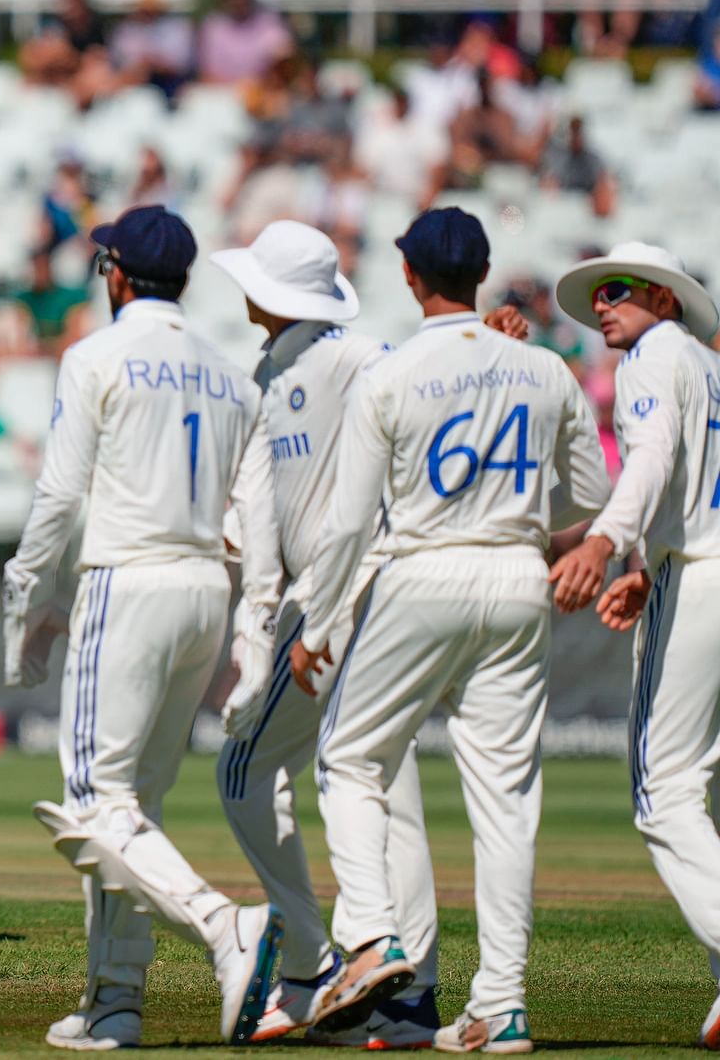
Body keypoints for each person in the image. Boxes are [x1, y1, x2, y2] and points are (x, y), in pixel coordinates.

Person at [293, 209, 611, 1050]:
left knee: (350, 757)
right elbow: (587, 492)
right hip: (517, 574)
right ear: (482, 272)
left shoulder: (392, 376)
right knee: (506, 800)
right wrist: (515, 519)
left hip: (422, 570)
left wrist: (318, 622)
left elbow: (351, 519)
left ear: (408, 274)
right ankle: (499, 1004)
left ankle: (371, 937)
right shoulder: (544, 368)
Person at [2, 206, 283, 1049]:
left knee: (93, 801)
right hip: (207, 586)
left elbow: (59, 494)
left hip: (128, 580)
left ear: (116, 276)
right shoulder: (234, 373)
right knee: (135, 803)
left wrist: (25, 597)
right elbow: (257, 515)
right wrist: (253, 630)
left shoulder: (96, 356)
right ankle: (114, 1000)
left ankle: (224, 926)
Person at [206, 222, 443, 1048]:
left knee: (244, 762)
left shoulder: (355, 358)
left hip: (348, 596)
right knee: (386, 781)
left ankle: (313, 962)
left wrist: (277, 626)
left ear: (267, 292)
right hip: (364, 594)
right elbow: (263, 523)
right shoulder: (280, 369)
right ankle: (409, 999)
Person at [540, 244, 720, 1050]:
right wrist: (649, 565)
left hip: (704, 577)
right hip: (700, 562)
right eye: (597, 294)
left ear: (663, 296)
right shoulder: (708, 365)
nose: (602, 305)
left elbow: (648, 461)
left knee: (664, 793)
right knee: (691, 790)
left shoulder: (654, 356)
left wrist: (608, 542)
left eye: (616, 291)